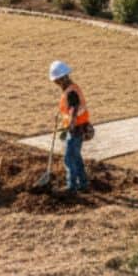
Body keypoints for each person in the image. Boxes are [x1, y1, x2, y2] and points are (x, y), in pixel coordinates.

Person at [49, 60, 91, 191]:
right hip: (78, 127)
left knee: (69, 158)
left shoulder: (71, 92)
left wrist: (71, 125)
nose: (56, 83)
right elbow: (70, 108)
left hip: (76, 129)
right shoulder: (71, 89)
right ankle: (83, 183)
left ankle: (71, 186)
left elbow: (74, 109)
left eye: (56, 81)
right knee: (76, 157)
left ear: (61, 79)